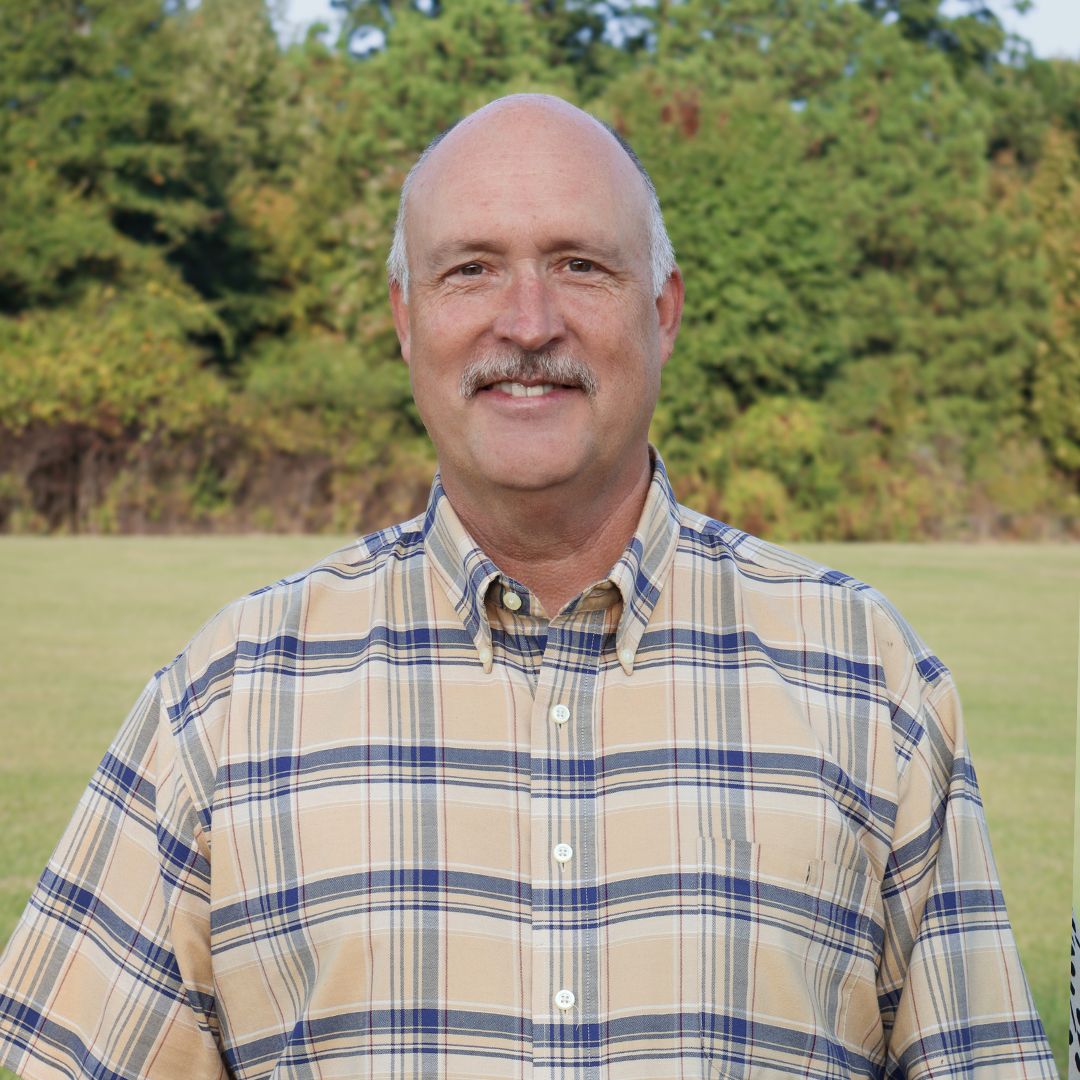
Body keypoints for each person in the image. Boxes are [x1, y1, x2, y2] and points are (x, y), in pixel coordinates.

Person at [0, 94, 1055, 1079]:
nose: (529, 321)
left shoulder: (865, 681)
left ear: (666, 311)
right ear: (406, 317)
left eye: (581, 266)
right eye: (471, 270)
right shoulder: (227, 701)